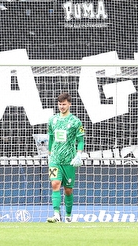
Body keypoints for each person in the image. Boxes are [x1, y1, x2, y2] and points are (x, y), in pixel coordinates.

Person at [46, 92, 86, 223]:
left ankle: (68, 216)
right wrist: (49, 154)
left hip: (69, 160)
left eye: (64, 104)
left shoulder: (75, 122)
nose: (61, 107)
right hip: (55, 159)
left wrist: (79, 154)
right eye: (59, 104)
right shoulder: (52, 120)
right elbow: (51, 138)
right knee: (55, 184)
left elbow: (81, 140)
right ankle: (56, 215)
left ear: (69, 104)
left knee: (68, 190)